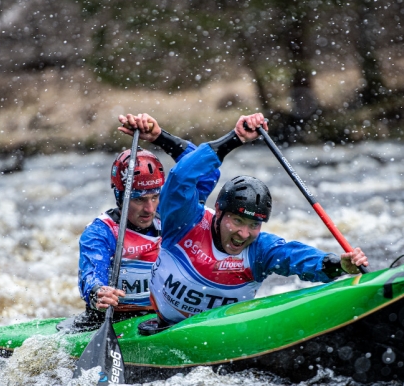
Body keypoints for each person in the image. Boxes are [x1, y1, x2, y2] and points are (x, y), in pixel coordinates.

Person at [147, 113, 369, 326]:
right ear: (219, 211)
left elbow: (295, 257)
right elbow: (181, 177)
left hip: (227, 335)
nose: (244, 234)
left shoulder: (260, 250)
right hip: (165, 327)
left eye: (254, 224)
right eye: (237, 221)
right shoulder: (184, 223)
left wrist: (337, 265)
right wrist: (235, 138)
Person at [62, 113, 218, 332]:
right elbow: (91, 274)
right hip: (115, 322)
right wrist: (98, 291)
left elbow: (206, 170)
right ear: (120, 196)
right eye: (139, 199)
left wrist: (160, 137)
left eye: (155, 197)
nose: (150, 208)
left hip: (161, 319)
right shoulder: (101, 232)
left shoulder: (173, 213)